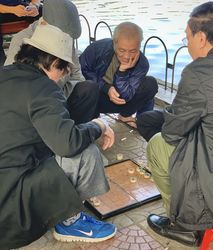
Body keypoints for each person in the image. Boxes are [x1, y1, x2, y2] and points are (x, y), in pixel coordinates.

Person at [138, 1, 213, 246]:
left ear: (201, 38)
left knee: (158, 146)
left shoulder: (199, 72)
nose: (186, 43)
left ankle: (185, 225)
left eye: (186, 37)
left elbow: (172, 131)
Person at [0, 23, 117, 249]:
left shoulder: (5, 73)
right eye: (63, 69)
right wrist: (99, 125)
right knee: (86, 152)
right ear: (54, 63)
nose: (63, 76)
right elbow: (68, 143)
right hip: (10, 210)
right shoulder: (44, 89)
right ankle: (69, 220)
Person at [5, 0, 99, 124]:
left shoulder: (65, 39)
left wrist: (59, 96)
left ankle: (74, 131)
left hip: (61, 94)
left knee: (89, 88)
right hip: (34, 104)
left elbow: (77, 75)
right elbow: (13, 85)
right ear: (44, 22)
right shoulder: (21, 40)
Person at [79, 22, 158, 128]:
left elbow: (127, 95)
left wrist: (122, 72)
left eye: (133, 51)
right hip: (95, 98)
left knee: (150, 84)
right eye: (122, 50)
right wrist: (106, 88)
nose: (127, 56)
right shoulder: (98, 48)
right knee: (88, 87)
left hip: (120, 101)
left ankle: (128, 117)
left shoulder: (142, 64)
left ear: (139, 46)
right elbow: (81, 70)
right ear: (114, 43)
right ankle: (91, 120)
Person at [0, 0, 41, 65]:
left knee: (47, 12)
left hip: (20, 7)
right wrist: (12, 10)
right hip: (4, 9)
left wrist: (35, 5)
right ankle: (3, 68)